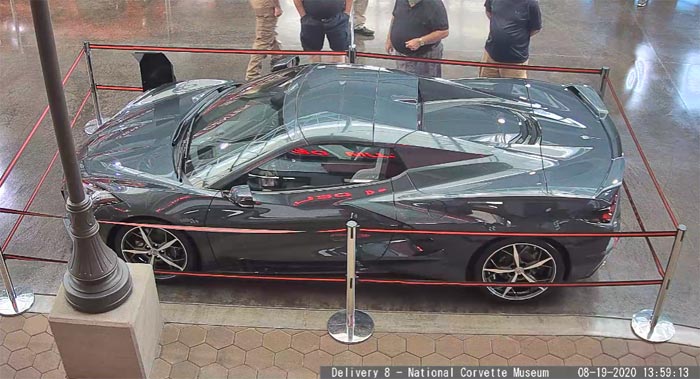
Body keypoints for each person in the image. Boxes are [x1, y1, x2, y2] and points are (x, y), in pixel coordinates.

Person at [385, 0, 449, 78]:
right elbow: (395, 16)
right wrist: (389, 38)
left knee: (425, 85)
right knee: (405, 83)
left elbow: (444, 32)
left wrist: (420, 41)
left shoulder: (434, 4)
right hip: (402, 56)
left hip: (425, 57)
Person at [479, 0, 542, 79]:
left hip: (514, 61)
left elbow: (535, 28)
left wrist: (516, 37)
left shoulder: (531, 3)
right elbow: (489, 11)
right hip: (490, 56)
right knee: (484, 87)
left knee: (513, 90)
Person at [245, 0, 284, 81]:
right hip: (267, 5)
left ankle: (278, 56)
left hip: (259, 4)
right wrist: (277, 6)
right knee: (263, 39)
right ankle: (252, 74)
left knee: (268, 32)